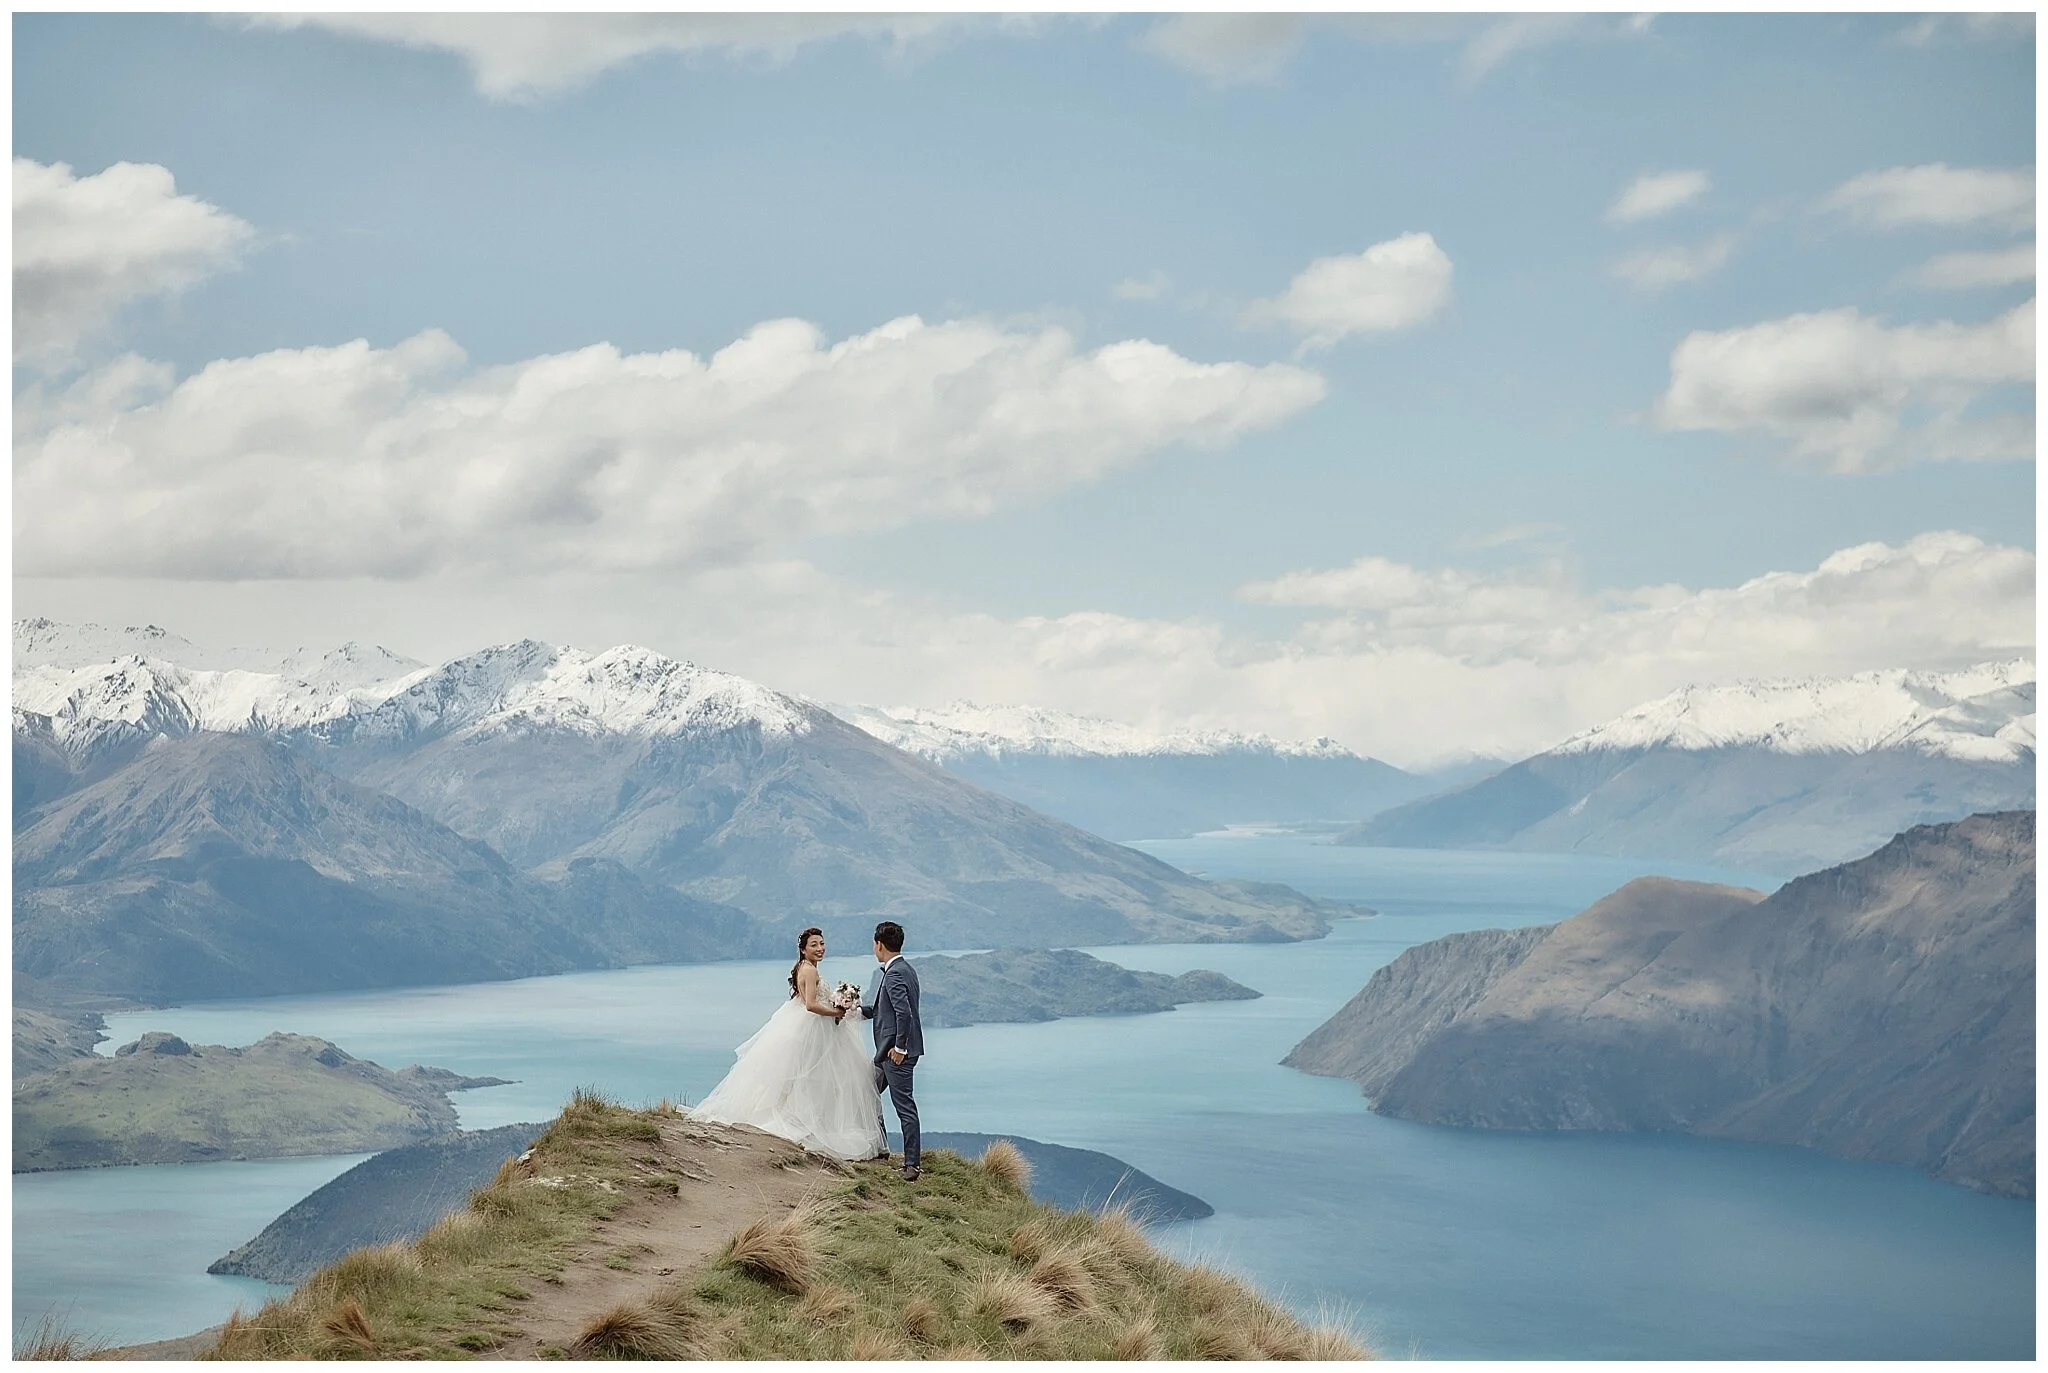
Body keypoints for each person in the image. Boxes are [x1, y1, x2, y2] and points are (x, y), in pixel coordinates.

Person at [688, 927, 886, 1161]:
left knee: (808, 1078)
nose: (820, 948)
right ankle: (807, 1123)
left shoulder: (806, 968)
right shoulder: (809, 970)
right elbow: (811, 1005)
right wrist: (836, 1010)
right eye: (814, 944)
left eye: (822, 943)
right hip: (812, 1028)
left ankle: (808, 1120)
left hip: (810, 1027)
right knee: (812, 1077)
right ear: (803, 949)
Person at [859, 920, 925, 1181]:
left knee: (904, 1106)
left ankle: (912, 1165)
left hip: (897, 1054)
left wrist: (900, 1048)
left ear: (879, 944)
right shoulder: (904, 968)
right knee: (866, 1091)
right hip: (887, 1052)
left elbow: (904, 1014)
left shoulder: (895, 973)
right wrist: (853, 1010)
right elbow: (881, 1011)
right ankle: (881, 1147)